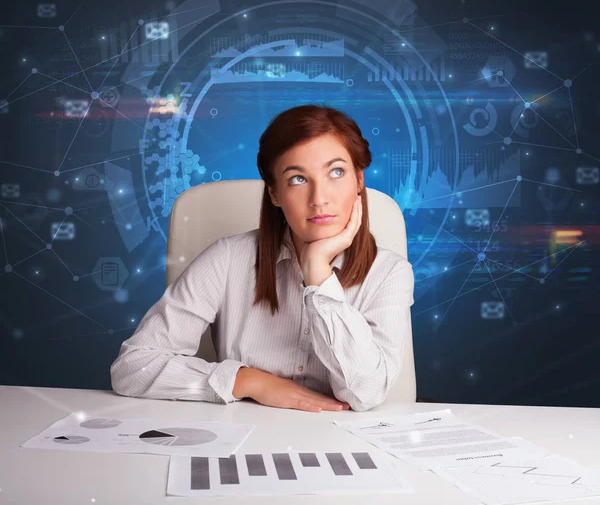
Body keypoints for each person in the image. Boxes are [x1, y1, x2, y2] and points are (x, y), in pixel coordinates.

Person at [110, 104, 414, 412]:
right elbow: (134, 369)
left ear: (359, 181)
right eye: (298, 179)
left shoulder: (389, 273)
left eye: (336, 172)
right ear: (274, 193)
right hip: (242, 439)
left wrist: (318, 273)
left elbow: (367, 393)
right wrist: (252, 381)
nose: (319, 198)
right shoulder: (227, 259)